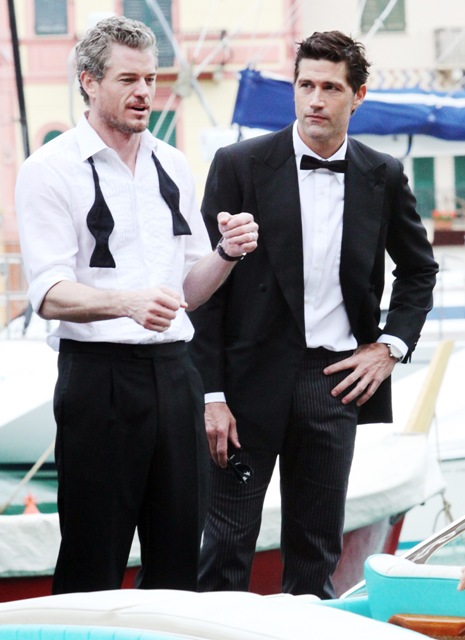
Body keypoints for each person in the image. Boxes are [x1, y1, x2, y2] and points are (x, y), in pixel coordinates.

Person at [188, 30, 438, 599]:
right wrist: (210, 395)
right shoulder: (239, 164)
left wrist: (390, 347)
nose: (315, 100)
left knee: (316, 554)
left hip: (334, 383)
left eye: (330, 88)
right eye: (305, 86)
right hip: (245, 384)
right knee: (225, 547)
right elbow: (204, 288)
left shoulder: (383, 174)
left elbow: (419, 270)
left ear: (358, 96)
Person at [15, 15, 258, 595]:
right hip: (97, 381)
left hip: (175, 376)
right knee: (92, 562)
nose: (145, 91)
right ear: (89, 81)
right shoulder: (48, 170)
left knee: (179, 561)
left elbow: (189, 292)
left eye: (150, 78)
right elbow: (47, 293)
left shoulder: (171, 163)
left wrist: (227, 252)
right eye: (128, 79)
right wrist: (126, 303)